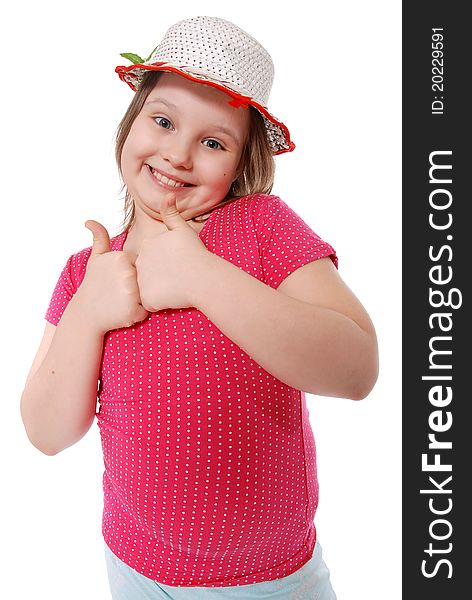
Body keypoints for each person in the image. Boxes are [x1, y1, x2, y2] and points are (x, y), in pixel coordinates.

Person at [20, 15, 378, 600]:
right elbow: (47, 432)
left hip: (273, 580)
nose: (179, 155)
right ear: (130, 123)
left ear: (243, 162)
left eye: (213, 142)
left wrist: (199, 275)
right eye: (162, 121)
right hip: (136, 570)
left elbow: (357, 368)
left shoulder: (261, 226)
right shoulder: (89, 272)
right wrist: (87, 313)